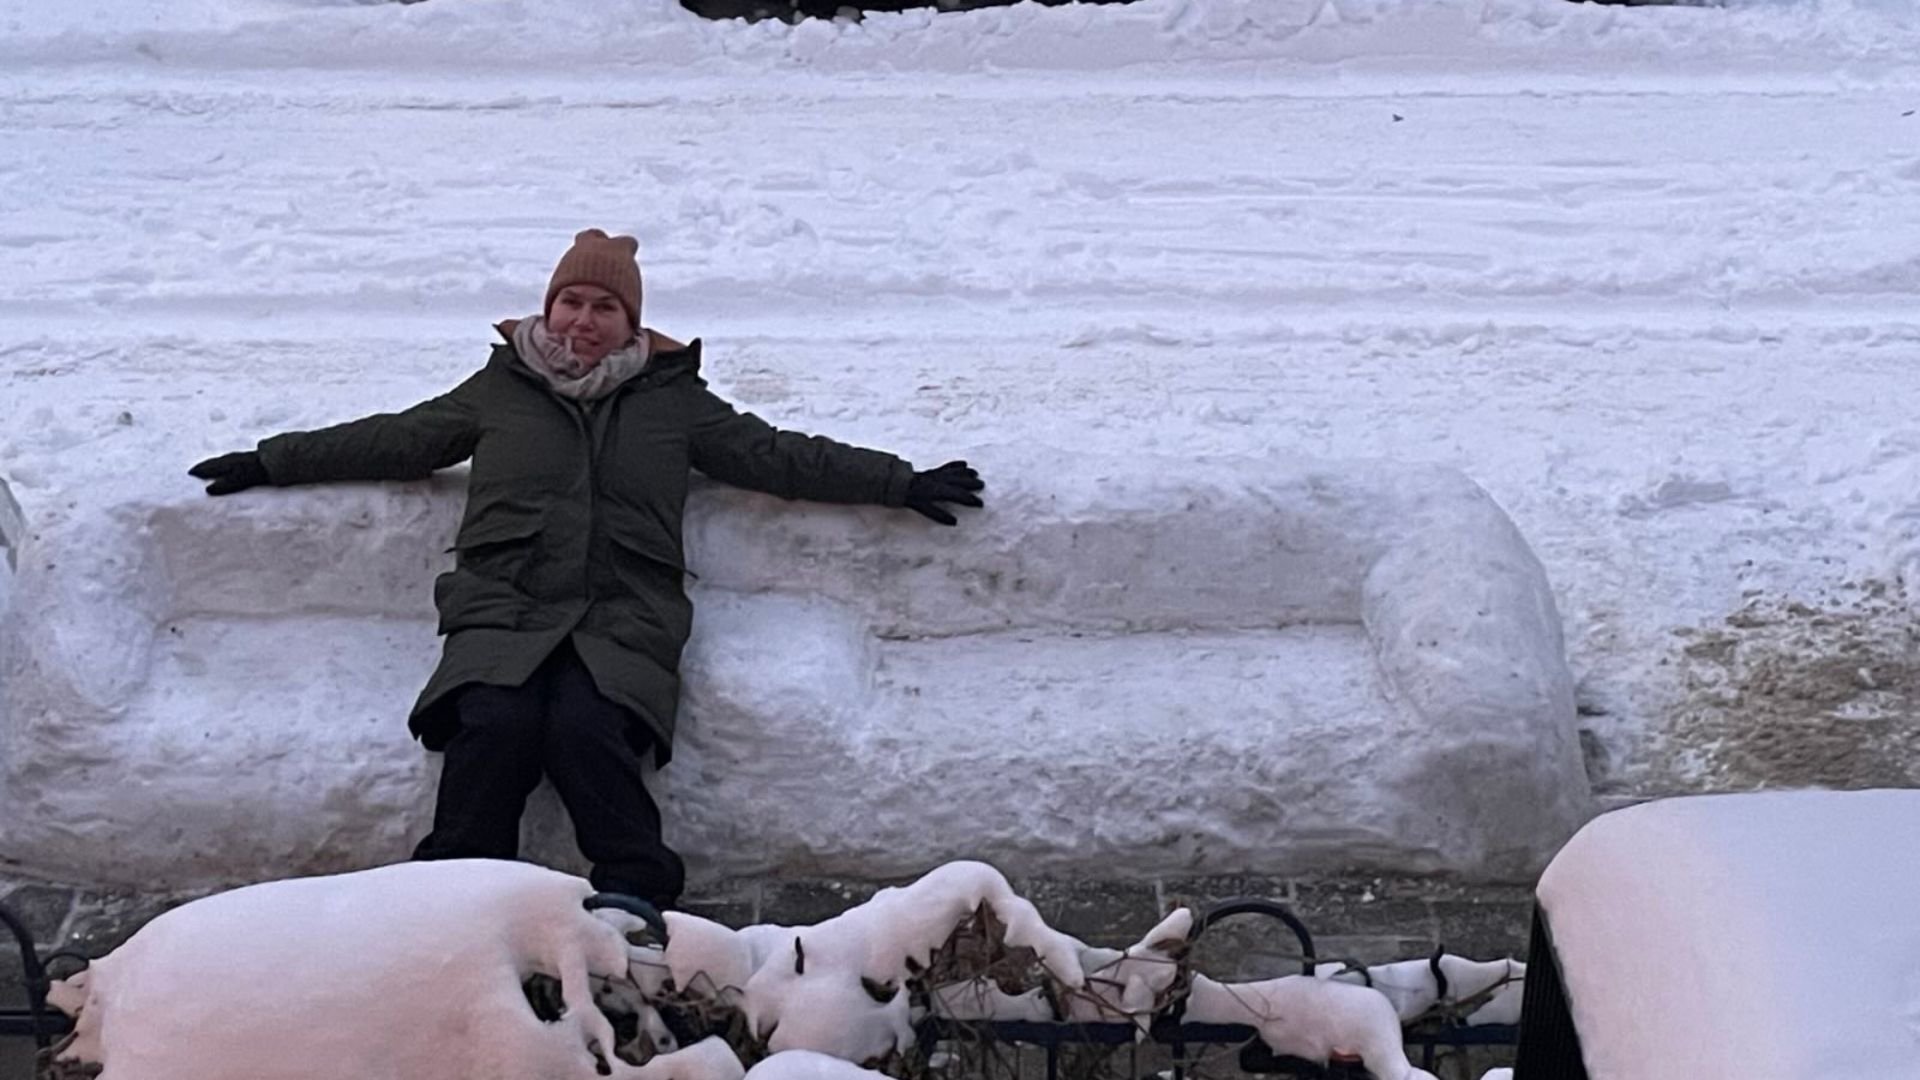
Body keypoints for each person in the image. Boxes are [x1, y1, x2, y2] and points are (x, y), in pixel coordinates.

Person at [188, 229, 984, 910]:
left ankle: (635, 898)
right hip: (505, 605)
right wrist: (273, 460)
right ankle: (450, 903)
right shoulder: (499, 389)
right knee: (493, 727)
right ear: (547, 309)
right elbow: (398, 438)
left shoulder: (673, 400)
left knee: (586, 730)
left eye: (606, 308)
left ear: (631, 322)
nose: (584, 320)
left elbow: (774, 453)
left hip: (621, 613)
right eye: (572, 302)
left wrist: (898, 482)